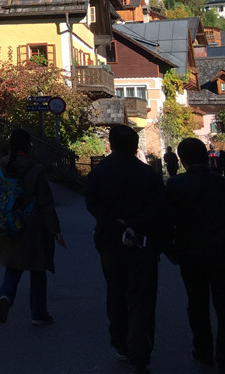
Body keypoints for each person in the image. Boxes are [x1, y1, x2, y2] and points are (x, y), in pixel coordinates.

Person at [163, 138, 225, 374]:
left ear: (181, 160)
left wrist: (170, 250)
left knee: (197, 303)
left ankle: (203, 350)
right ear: (206, 157)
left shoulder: (175, 186)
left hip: (191, 255)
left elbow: (165, 222)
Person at [85, 125, 166, 374]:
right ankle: (140, 351)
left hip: (110, 241)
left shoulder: (99, 173)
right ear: (135, 146)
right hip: (142, 242)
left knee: (116, 292)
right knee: (141, 298)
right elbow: (159, 207)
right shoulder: (148, 174)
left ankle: (120, 343)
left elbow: (93, 204)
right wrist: (136, 226)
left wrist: (116, 225)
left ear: (111, 144)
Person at [0, 128, 66, 327]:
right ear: (28, 146)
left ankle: (5, 297)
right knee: (38, 270)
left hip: (7, 222)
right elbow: (46, 203)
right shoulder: (35, 169)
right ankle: (38, 314)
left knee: (13, 267)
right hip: (33, 226)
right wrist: (56, 230)